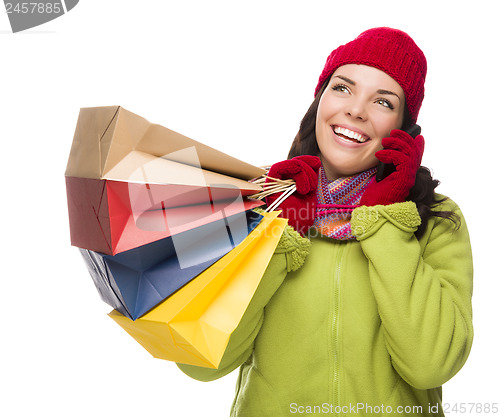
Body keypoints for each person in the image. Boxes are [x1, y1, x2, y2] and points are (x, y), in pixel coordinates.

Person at [177, 27, 473, 417]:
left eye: (383, 101)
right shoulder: (257, 200)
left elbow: (431, 364)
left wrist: (385, 221)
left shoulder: (436, 219)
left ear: (403, 127)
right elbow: (200, 363)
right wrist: (275, 236)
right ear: (320, 101)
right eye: (343, 88)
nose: (356, 110)